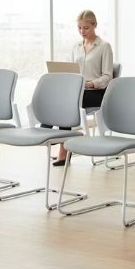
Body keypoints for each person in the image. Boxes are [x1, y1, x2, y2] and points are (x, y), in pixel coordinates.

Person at [51, 10, 114, 166]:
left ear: (95, 25)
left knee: (67, 102)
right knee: (62, 99)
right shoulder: (76, 47)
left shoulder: (104, 46)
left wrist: (92, 83)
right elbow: (72, 71)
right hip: (78, 91)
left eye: (86, 28)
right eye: (79, 28)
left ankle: (59, 144)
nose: (82, 31)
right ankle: (58, 140)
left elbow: (108, 76)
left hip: (97, 93)